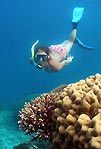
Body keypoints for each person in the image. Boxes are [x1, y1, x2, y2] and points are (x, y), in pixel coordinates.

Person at [29, 7, 95, 73]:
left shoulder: (54, 65)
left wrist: (68, 61)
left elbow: (62, 65)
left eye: (43, 56)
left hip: (61, 52)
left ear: (48, 56)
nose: (40, 59)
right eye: (38, 56)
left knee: (70, 41)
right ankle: (74, 40)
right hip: (53, 48)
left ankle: (75, 25)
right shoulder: (33, 59)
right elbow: (34, 62)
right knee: (66, 42)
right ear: (35, 55)